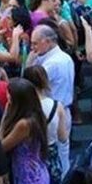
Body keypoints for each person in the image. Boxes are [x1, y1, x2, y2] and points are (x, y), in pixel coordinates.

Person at [26, 24, 74, 173]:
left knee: (52, 154)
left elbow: (28, 82)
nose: (32, 48)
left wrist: (29, 61)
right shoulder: (65, 57)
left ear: (47, 41)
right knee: (62, 152)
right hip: (62, 110)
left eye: (35, 43)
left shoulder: (52, 64)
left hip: (51, 112)